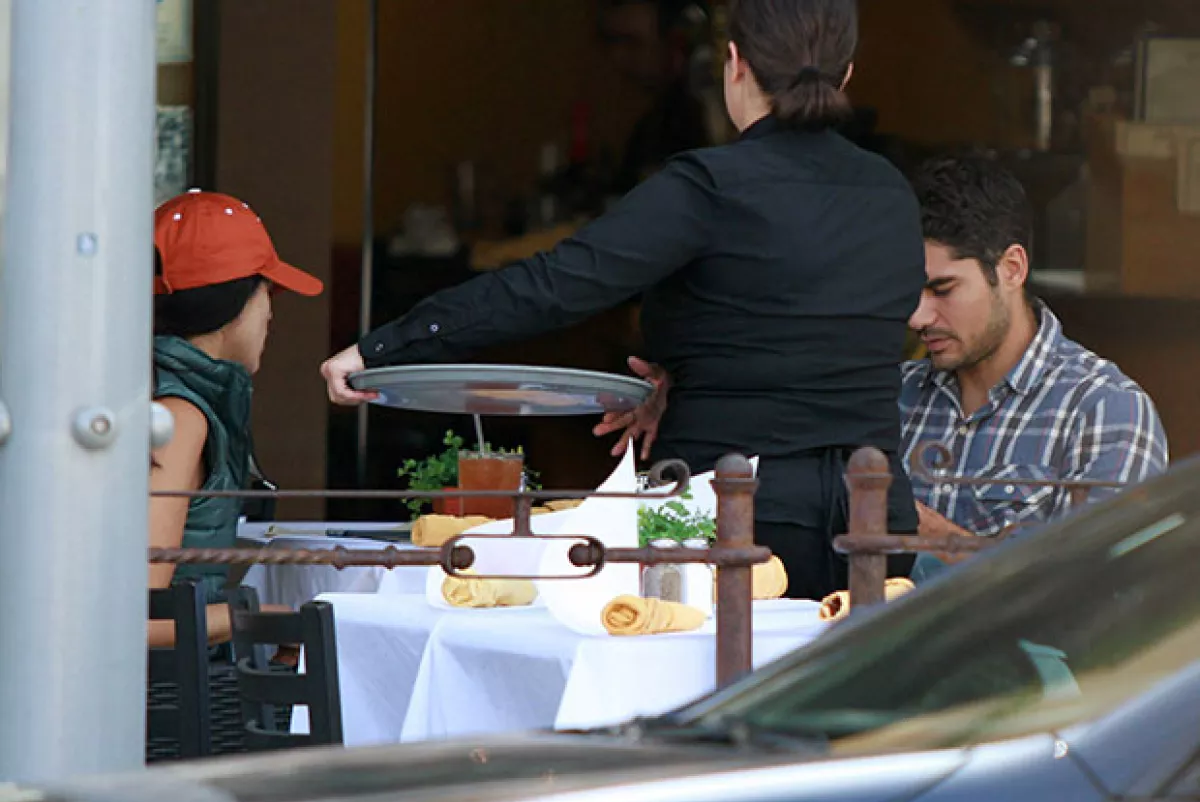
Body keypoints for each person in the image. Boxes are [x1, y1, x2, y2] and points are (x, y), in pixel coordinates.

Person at [321, 0, 925, 601]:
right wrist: (694, 375)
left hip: (735, 515)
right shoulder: (892, 194)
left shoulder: (709, 186)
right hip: (874, 517)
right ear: (845, 74)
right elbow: (830, 331)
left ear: (735, 63)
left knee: (706, 689)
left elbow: (555, 285)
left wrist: (384, 347)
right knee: (849, 695)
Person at [900, 154, 1169, 560]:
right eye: (910, 291)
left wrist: (935, 538)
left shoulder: (1104, 411)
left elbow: (1098, 590)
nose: (918, 317)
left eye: (943, 289)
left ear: (1011, 268)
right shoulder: (894, 394)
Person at [150, 190, 323, 647]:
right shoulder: (177, 417)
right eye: (269, 292)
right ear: (232, 304)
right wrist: (263, 618)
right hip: (162, 705)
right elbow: (135, 619)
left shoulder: (166, 393)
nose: (271, 313)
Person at [601, 0, 713, 193]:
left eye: (632, 42)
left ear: (675, 43)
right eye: (612, 42)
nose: (617, 56)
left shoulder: (702, 122)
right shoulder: (650, 127)